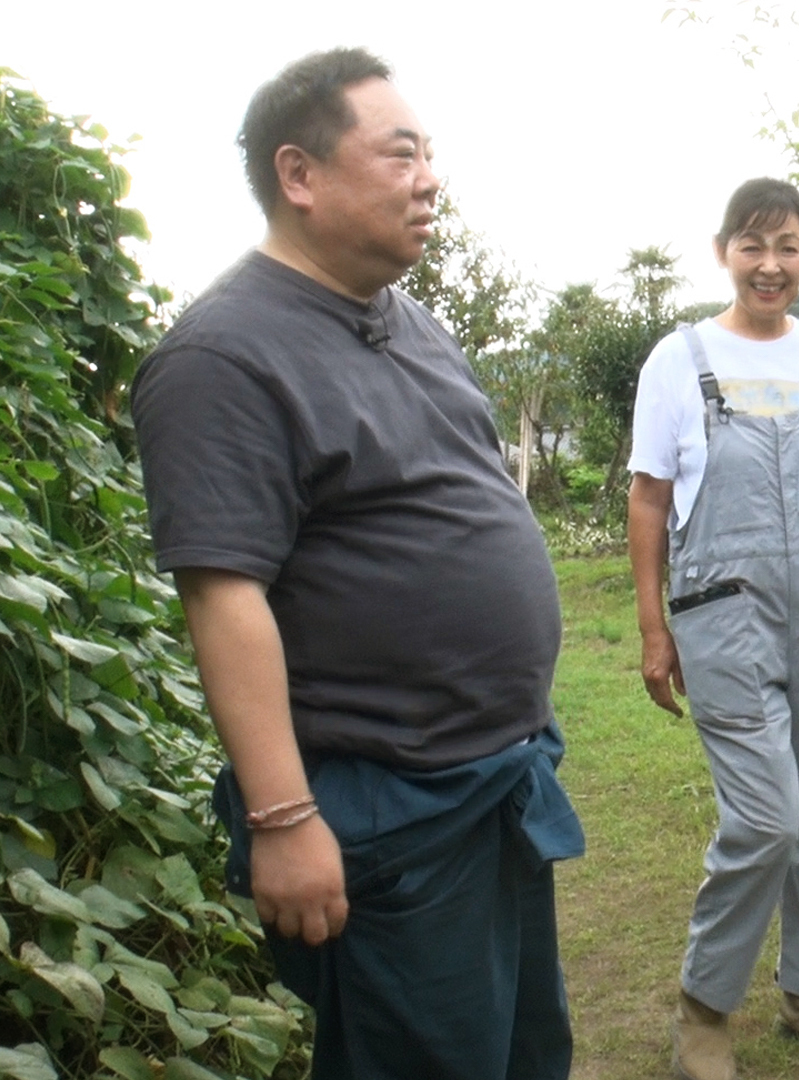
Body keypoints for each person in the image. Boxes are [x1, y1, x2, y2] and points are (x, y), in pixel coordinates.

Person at [131, 48, 581, 1080]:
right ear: (301, 176)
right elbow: (222, 592)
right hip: (390, 808)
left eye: (431, 155)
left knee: (520, 1054)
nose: (431, 179)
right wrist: (283, 819)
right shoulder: (223, 357)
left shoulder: (409, 319)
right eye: (402, 155)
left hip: (494, 784)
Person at [626, 177, 799, 1080]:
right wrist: (653, 628)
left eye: (787, 247)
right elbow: (650, 499)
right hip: (724, 619)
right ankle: (705, 1009)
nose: (770, 265)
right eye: (753, 246)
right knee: (767, 818)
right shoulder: (679, 359)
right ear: (724, 254)